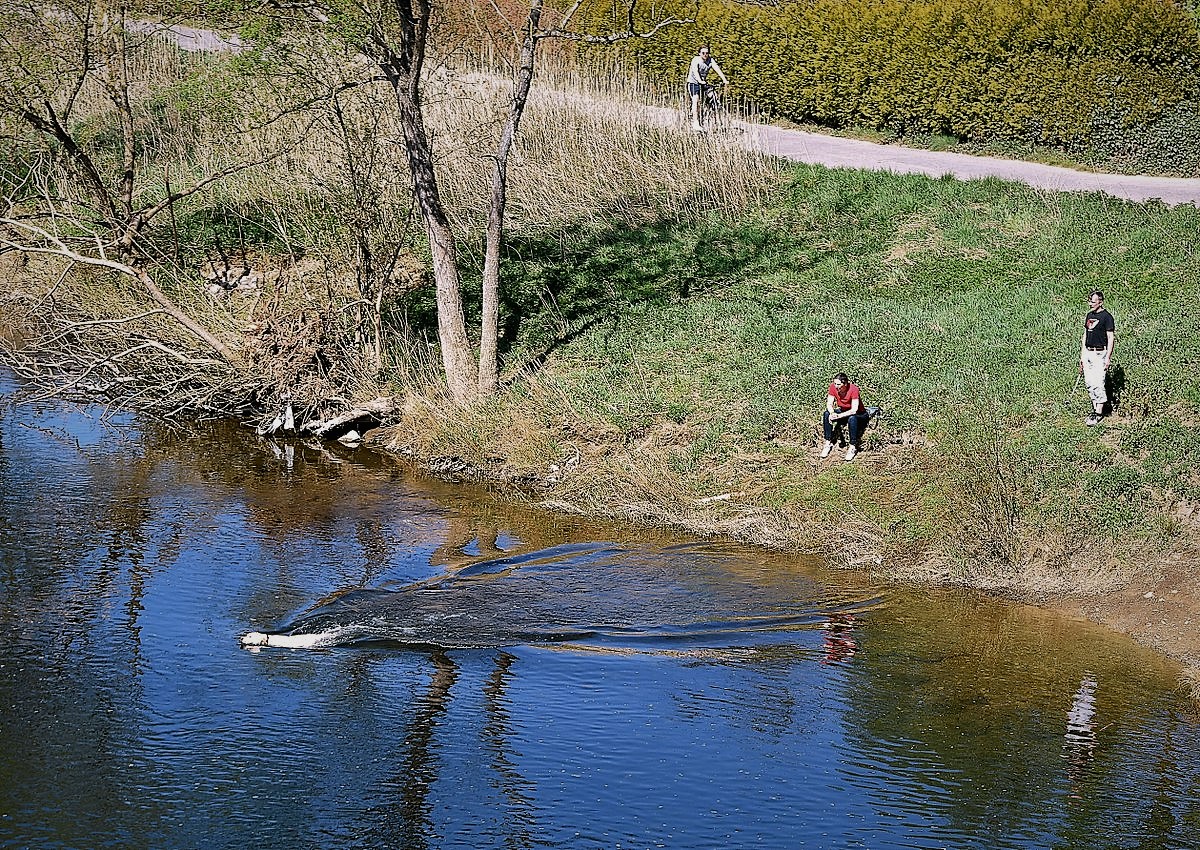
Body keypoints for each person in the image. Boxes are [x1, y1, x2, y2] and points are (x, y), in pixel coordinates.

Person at [1080, 290, 1115, 426]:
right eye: (1089, 301)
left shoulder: (1107, 317)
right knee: (1089, 383)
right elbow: (1085, 335)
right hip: (1088, 352)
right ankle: (1095, 410)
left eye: (1093, 302)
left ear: (1100, 302)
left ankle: (1099, 413)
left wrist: (1108, 357)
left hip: (1100, 353)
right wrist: (1082, 355)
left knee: (1098, 383)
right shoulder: (1089, 315)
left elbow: (1111, 338)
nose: (1090, 304)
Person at [821, 373, 869, 461]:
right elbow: (829, 403)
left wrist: (839, 416)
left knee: (852, 418)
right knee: (826, 414)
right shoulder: (833, 387)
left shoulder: (853, 389)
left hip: (859, 414)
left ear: (845, 384)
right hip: (843, 410)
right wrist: (832, 413)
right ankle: (828, 442)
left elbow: (854, 410)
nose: (836, 386)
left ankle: (853, 446)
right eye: (835, 384)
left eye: (838, 384)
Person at [686, 45, 729, 132]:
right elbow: (695, 71)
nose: (705, 55)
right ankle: (695, 123)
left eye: (707, 53)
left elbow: (717, 69)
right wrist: (699, 80)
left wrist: (724, 79)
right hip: (693, 83)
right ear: (699, 53)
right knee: (696, 100)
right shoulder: (696, 60)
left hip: (703, 83)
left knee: (713, 96)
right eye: (703, 53)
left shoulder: (710, 60)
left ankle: (716, 121)